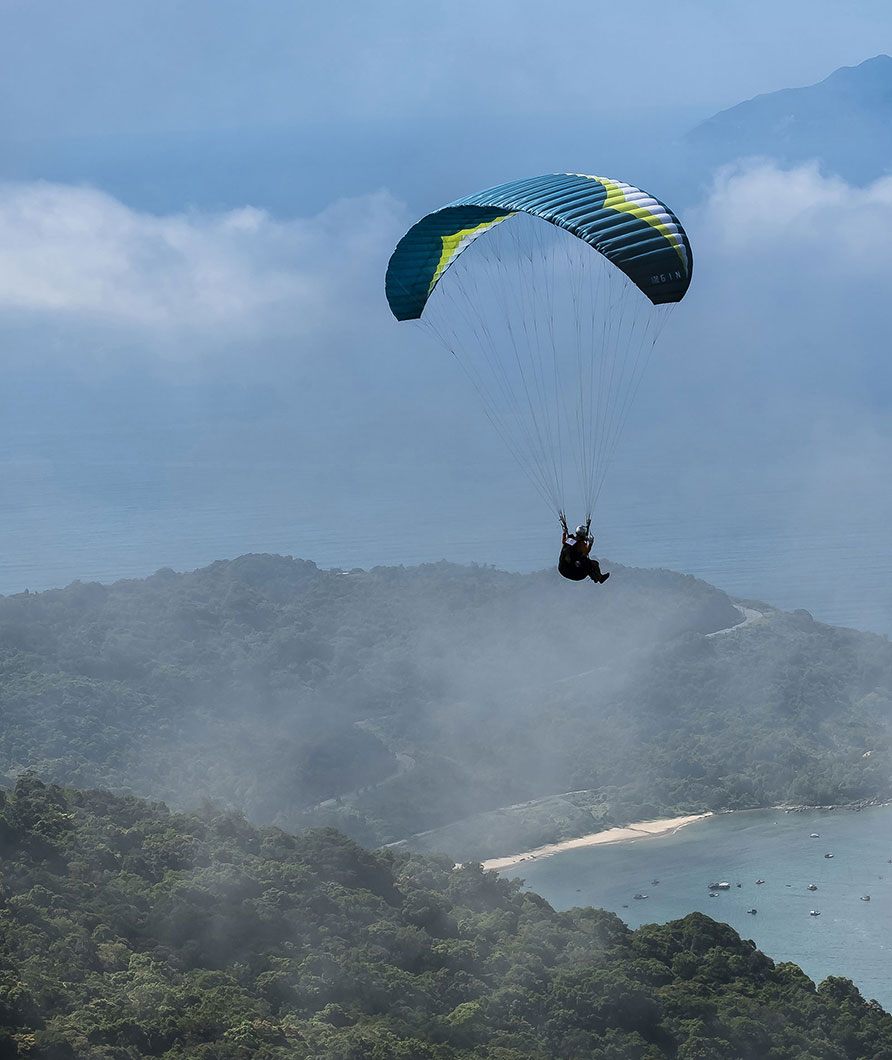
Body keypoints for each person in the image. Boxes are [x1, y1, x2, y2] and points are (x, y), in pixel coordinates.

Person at [558, 517, 610, 584]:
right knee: (593, 564)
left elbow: (563, 541)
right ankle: (599, 578)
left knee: (587, 563)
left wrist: (564, 533)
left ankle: (597, 578)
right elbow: (586, 552)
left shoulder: (571, 540)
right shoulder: (581, 543)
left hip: (562, 569)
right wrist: (590, 543)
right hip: (575, 574)